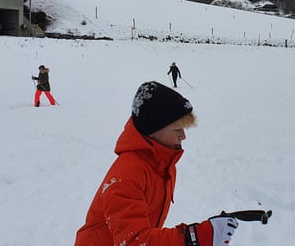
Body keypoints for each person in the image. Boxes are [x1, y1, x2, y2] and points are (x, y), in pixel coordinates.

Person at [74, 81, 238, 246]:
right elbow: (134, 241)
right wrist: (193, 237)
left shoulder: (162, 164)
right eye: (177, 130)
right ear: (153, 131)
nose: (183, 136)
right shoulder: (126, 177)